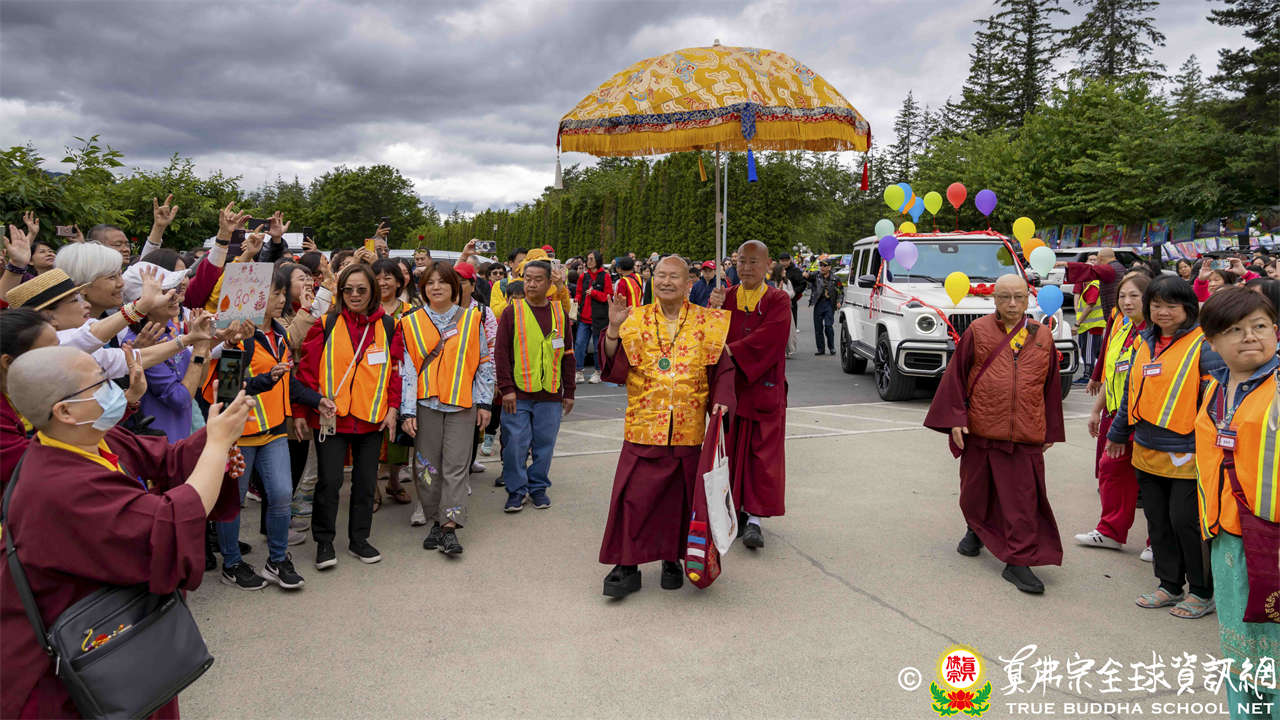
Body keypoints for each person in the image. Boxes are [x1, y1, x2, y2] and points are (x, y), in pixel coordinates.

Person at [0, 344, 251, 719]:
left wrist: (218, 432)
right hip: (88, 661)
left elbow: (169, 460)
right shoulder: (57, 485)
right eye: (99, 383)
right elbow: (166, 526)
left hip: (128, 633)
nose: (113, 388)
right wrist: (215, 446)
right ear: (65, 411)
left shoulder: (92, 439)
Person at [596, 256, 734, 598]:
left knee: (678, 501)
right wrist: (612, 329)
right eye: (660, 275)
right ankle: (627, 564)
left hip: (687, 425)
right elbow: (614, 366)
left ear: (689, 284)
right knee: (633, 498)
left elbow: (723, 368)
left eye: (674, 276)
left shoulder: (708, 321)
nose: (666, 282)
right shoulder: (634, 319)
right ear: (652, 279)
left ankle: (672, 558)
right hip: (644, 424)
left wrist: (722, 399)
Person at [924, 274, 1065, 594]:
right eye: (1004, 297)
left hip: (1025, 432)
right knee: (975, 493)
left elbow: (1051, 386)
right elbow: (956, 377)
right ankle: (976, 529)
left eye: (1018, 297)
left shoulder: (1042, 335)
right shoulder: (978, 330)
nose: (1012, 304)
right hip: (982, 427)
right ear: (994, 300)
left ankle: (1018, 561)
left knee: (1023, 501)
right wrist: (956, 418)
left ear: (1028, 299)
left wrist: (1050, 429)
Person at [1106, 275, 1223, 619]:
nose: (1163, 312)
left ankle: (1201, 591)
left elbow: (1216, 402)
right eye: (1156, 305)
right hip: (1147, 447)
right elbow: (1131, 393)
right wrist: (1118, 432)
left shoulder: (1204, 345)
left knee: (1186, 521)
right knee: (1158, 522)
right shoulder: (1145, 341)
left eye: (1171, 305)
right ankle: (1169, 585)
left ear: (1188, 307)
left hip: (1188, 450)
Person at [212, 267, 328, 591]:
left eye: (281, 293)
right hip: (239, 435)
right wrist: (265, 379)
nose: (280, 300)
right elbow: (228, 389)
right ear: (252, 298)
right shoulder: (237, 338)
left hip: (275, 430)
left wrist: (317, 400)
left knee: (280, 496)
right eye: (273, 294)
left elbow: (288, 383)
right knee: (232, 502)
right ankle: (231, 564)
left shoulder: (280, 335)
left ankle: (277, 560)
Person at [1193, 287, 1280, 715]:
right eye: (1235, 330)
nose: (1250, 337)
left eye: (1260, 326)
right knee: (1241, 651)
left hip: (1273, 544)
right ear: (1212, 341)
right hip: (1228, 537)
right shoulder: (1216, 390)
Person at [296, 262, 403, 570]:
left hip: (371, 419)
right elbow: (306, 373)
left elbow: (396, 374)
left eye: (361, 290)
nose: (354, 295)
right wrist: (302, 411)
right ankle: (324, 542)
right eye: (348, 290)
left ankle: (359, 539)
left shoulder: (389, 326)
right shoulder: (326, 323)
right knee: (329, 483)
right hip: (332, 419)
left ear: (373, 292)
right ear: (341, 292)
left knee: (366, 483)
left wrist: (393, 409)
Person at [399, 263, 494, 556]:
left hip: (462, 404)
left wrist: (484, 403)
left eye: (443, 282)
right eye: (430, 282)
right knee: (426, 467)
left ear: (454, 287)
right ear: (423, 288)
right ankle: (436, 520)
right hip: (425, 405)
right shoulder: (410, 322)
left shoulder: (472, 319)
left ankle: (449, 526)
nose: (436, 287)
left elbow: (483, 364)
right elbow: (408, 370)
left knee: (456, 467)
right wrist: (407, 411)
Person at [714, 241, 790, 550]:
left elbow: (772, 337)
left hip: (763, 389)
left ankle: (755, 520)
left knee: (761, 457)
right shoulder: (727, 296)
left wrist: (732, 350)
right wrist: (713, 310)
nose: (746, 268)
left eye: (753, 262)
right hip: (732, 390)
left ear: (768, 265)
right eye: (741, 261)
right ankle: (734, 513)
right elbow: (710, 334)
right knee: (730, 453)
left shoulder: (777, 299)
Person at [494, 260, 575, 512]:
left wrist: (569, 391)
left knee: (544, 445)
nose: (531, 284)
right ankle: (516, 490)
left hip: (550, 393)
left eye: (538, 279)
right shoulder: (512, 312)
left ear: (549, 282)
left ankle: (538, 488)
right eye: (527, 279)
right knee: (515, 444)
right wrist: (506, 388)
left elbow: (568, 354)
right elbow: (501, 353)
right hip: (517, 394)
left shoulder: (559, 313)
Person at [1077, 273, 1150, 552]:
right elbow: (1114, 374)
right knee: (1110, 470)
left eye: (1134, 296)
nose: (1127, 302)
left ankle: (1158, 543)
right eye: (1122, 296)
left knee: (1152, 483)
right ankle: (1110, 531)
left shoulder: (1156, 333)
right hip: (1118, 415)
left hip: (1145, 420)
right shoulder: (1123, 327)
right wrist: (1097, 410)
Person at [371, 258, 414, 510]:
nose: (382, 282)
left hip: (402, 379)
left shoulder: (411, 311)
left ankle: (394, 482)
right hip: (371, 381)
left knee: (399, 436)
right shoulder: (366, 309)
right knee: (373, 435)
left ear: (399, 282)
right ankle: (373, 488)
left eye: (388, 277)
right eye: (377, 277)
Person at [574, 250, 612, 384]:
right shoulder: (583, 277)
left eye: (591, 259)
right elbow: (579, 292)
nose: (588, 261)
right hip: (584, 317)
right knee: (579, 344)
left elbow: (608, 296)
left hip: (599, 318)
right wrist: (577, 300)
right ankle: (578, 371)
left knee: (597, 347)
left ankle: (598, 371)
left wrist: (594, 293)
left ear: (597, 260)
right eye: (588, 259)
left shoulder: (605, 276)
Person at [1060, 247, 1127, 319]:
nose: (1097, 263)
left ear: (1100, 258)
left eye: (1096, 259)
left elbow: (1090, 269)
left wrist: (1065, 264)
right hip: (1119, 307)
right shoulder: (1120, 267)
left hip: (1114, 310)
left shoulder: (1109, 269)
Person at [807, 259, 842, 355]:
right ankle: (820, 349)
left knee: (828, 326)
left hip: (829, 304)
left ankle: (832, 347)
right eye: (821, 265)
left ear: (829, 267)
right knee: (818, 328)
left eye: (824, 266)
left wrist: (839, 301)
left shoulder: (836, 278)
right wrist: (806, 275)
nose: (822, 267)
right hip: (818, 304)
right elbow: (808, 277)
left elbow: (840, 291)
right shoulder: (816, 276)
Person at [778, 253, 807, 323]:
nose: (784, 263)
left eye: (786, 261)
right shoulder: (777, 270)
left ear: (790, 260)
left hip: (791, 301)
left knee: (791, 322)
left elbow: (803, 284)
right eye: (782, 261)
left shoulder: (795, 271)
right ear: (779, 261)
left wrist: (793, 293)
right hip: (778, 302)